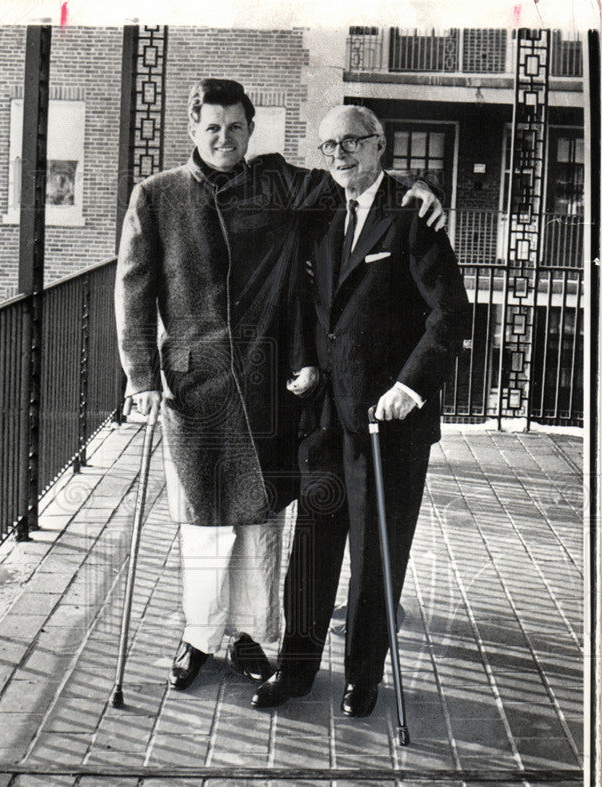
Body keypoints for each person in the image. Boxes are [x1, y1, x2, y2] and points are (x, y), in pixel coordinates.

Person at [115, 81, 444, 694]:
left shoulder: (279, 184)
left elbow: (361, 184)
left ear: (250, 129)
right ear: (193, 129)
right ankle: (197, 636)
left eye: (235, 127)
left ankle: (247, 635)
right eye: (211, 128)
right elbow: (132, 291)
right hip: (193, 387)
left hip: (268, 384)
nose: (224, 138)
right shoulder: (155, 197)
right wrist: (141, 375)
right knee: (203, 520)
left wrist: (424, 189)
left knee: (260, 517)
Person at [252, 104, 470, 715]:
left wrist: (411, 384)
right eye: (329, 146)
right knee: (314, 552)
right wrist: (305, 362)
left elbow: (450, 314)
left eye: (352, 143)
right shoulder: (321, 213)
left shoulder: (413, 216)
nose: (340, 154)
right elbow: (308, 305)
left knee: (377, 555)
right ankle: (295, 673)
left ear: (380, 148)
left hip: (390, 424)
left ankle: (362, 677)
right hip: (327, 419)